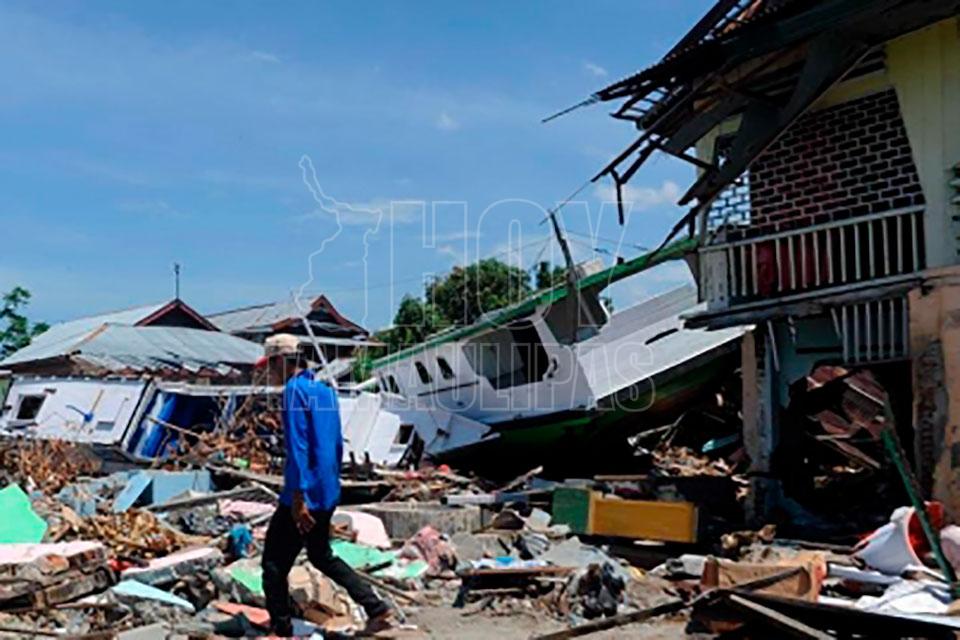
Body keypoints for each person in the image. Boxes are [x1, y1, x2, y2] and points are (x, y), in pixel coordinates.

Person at [258, 333, 391, 637]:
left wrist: (298, 497)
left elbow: (298, 446)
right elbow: (334, 446)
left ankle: (280, 629)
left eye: (271, 365)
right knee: (320, 555)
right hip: (328, 491)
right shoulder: (324, 391)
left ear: (281, 361)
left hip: (304, 495)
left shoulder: (294, 390)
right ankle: (376, 607)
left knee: (273, 564)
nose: (270, 372)